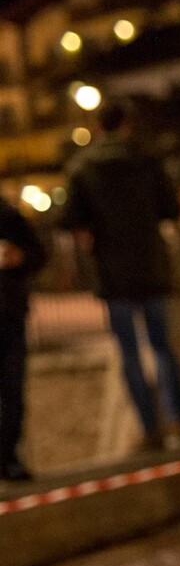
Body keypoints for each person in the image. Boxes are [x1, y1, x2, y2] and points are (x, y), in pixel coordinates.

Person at [60, 100, 180, 450]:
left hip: (112, 271)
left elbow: (67, 219)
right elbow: (171, 208)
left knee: (130, 353)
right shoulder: (148, 160)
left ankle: (151, 428)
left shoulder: (83, 168)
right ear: (126, 126)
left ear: (99, 127)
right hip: (150, 265)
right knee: (163, 346)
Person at [0, 198, 47, 481]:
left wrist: (20, 257)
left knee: (12, 390)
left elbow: (38, 253)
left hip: (9, 314)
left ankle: (8, 457)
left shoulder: (7, 216)